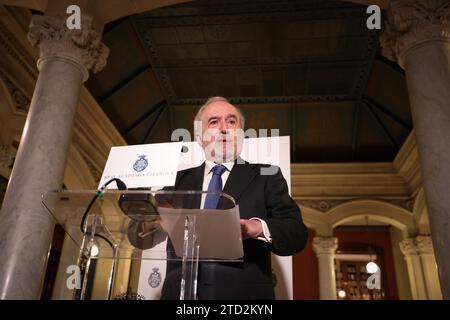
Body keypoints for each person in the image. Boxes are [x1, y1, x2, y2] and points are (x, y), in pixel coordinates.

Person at [161, 96, 308, 300]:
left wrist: (256, 228)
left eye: (231, 121)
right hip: (180, 296)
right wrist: (148, 221)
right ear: (199, 137)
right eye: (214, 122)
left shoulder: (266, 175)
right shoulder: (177, 180)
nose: (224, 128)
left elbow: (296, 233)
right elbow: (141, 230)